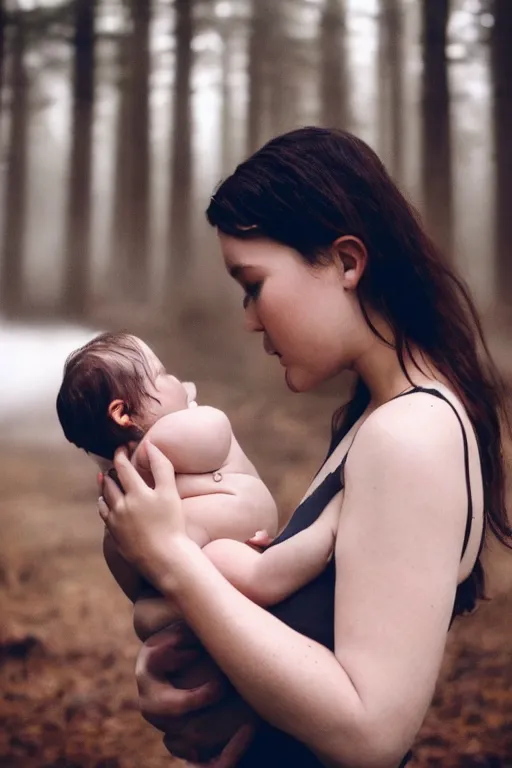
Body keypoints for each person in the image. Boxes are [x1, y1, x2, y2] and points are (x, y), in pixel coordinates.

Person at [98, 127, 512, 767]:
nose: (249, 318)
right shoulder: (375, 421)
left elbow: (370, 735)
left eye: (254, 284)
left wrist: (173, 561)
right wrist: (204, 692)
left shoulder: (410, 436)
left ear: (348, 262)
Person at [57, 332, 336, 640]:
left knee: (228, 569)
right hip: (201, 564)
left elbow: (213, 437)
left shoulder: (165, 443)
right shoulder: (170, 437)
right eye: (161, 374)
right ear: (123, 414)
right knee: (147, 614)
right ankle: (328, 532)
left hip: (211, 560)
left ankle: (207, 601)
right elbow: (213, 429)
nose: (177, 379)